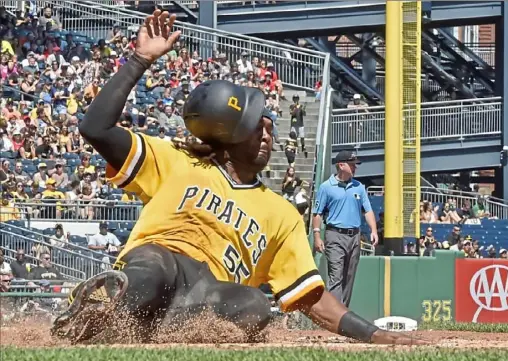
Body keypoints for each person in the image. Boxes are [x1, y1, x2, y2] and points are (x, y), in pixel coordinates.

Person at [51, 10, 424, 347]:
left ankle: (144, 331)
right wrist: (140, 60)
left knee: (255, 304)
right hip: (158, 256)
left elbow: (312, 298)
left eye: (269, 129)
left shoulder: (280, 213)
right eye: (256, 128)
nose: (267, 135)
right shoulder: (177, 161)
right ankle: (94, 316)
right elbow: (95, 128)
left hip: (205, 291)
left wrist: (372, 333)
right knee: (149, 276)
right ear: (229, 135)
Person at [312, 151, 378, 307]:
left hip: (355, 236)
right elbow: (317, 213)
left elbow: (367, 210)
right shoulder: (326, 187)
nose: (355, 167)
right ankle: (336, 315)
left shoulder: (359, 187)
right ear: (341, 165)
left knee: (349, 276)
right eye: (352, 164)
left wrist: (373, 230)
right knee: (336, 276)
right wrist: (316, 235)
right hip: (335, 235)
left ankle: (342, 314)